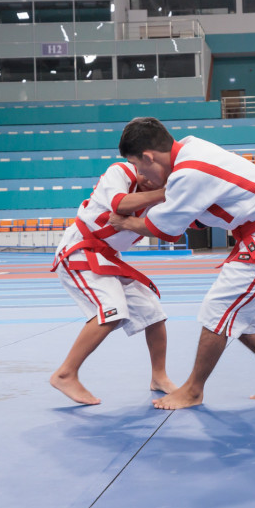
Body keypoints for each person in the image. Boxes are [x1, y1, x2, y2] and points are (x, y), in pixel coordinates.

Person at [110, 117, 255, 410]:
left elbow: (164, 228)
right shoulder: (192, 148)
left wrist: (125, 222)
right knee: (243, 314)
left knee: (219, 308)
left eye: (140, 168)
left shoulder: (189, 171)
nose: (143, 176)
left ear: (148, 156)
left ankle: (193, 390)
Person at [49, 161, 177, 405]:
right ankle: (65, 373)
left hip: (109, 256)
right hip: (80, 249)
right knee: (112, 310)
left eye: (155, 175)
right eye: (143, 169)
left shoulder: (166, 200)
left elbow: (167, 231)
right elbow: (120, 203)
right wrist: (165, 193)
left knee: (154, 313)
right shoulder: (119, 172)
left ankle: (159, 377)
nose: (145, 176)